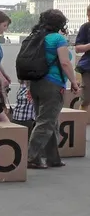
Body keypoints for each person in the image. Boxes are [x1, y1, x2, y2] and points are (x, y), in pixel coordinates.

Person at [27, 9, 79, 169]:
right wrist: (74, 82)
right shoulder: (57, 39)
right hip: (53, 84)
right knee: (46, 122)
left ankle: (52, 158)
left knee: (50, 122)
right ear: (60, 24)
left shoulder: (35, 37)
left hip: (35, 83)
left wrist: (29, 87)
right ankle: (31, 157)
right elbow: (65, 63)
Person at [75, 5, 90, 111]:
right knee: (86, 98)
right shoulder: (85, 27)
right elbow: (78, 48)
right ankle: (81, 125)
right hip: (88, 67)